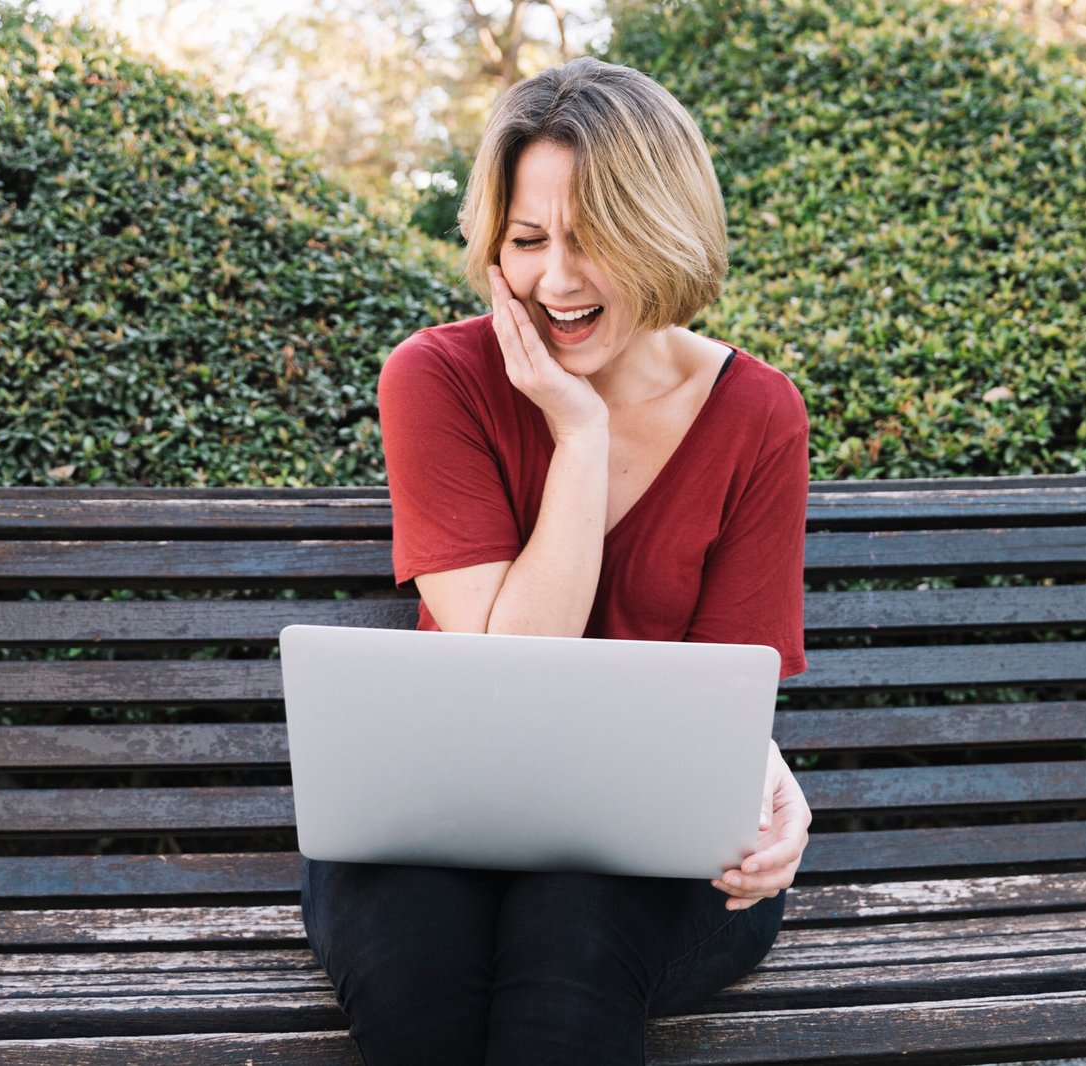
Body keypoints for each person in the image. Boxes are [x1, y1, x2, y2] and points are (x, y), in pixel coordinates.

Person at [300, 57, 813, 1064]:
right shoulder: (435, 379)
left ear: (664, 231)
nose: (555, 281)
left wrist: (769, 777)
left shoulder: (757, 414)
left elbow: (726, 683)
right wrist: (578, 438)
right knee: (422, 982)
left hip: (646, 853)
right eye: (526, 241)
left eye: (594, 241)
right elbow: (509, 660)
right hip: (431, 827)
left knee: (568, 950)